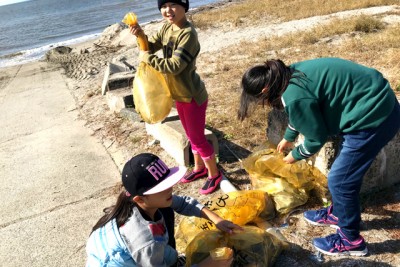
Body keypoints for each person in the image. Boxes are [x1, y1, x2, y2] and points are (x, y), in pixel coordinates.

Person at [237, 57, 400, 256]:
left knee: (340, 182)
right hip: (375, 101)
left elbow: (316, 138)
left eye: (259, 101)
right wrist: (289, 137)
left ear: (264, 91)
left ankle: (351, 241)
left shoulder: (294, 96)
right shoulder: (288, 75)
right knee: (345, 176)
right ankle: (340, 213)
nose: (262, 104)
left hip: (373, 118)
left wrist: (294, 156)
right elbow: (304, 112)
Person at [129, 0, 222, 195]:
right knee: (190, 136)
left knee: (198, 139)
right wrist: (140, 35)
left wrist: (147, 59)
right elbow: (151, 46)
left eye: (173, 5)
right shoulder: (166, 27)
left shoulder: (188, 34)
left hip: (192, 96)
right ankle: (199, 168)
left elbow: (174, 65)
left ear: (184, 7)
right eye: (163, 6)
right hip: (178, 95)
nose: (167, 10)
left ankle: (214, 174)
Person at [86, 153, 242, 266]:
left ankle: (171, 261)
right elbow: (147, 246)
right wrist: (207, 265)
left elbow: (184, 203)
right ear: (139, 199)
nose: (170, 189)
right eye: (162, 187)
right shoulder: (144, 241)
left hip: (138, 255)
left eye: (168, 183)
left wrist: (217, 220)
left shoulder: (140, 203)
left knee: (166, 209)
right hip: (132, 257)